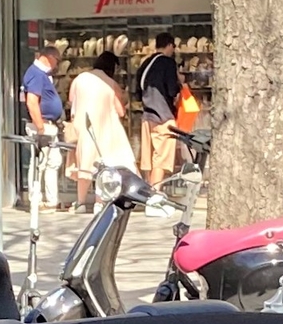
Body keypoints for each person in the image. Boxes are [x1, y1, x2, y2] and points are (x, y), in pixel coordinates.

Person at [67, 48, 138, 211]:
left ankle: (81, 202)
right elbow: (120, 111)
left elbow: (72, 101)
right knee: (103, 166)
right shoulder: (111, 84)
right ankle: (99, 202)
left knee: (84, 164)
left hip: (83, 127)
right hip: (106, 129)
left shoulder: (80, 78)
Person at [19, 42, 67, 213]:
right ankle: (36, 200)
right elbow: (32, 102)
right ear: (50, 58)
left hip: (48, 124)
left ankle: (52, 200)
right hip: (42, 125)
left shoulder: (42, 75)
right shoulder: (37, 74)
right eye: (57, 60)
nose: (57, 65)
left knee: (53, 162)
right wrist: (40, 128)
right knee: (40, 163)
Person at [138, 35, 183, 186]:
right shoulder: (167, 63)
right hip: (163, 115)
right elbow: (172, 90)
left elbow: (137, 91)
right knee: (161, 158)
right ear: (170, 45)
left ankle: (149, 190)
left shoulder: (145, 63)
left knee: (149, 158)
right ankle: (155, 193)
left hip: (147, 115)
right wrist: (180, 84)